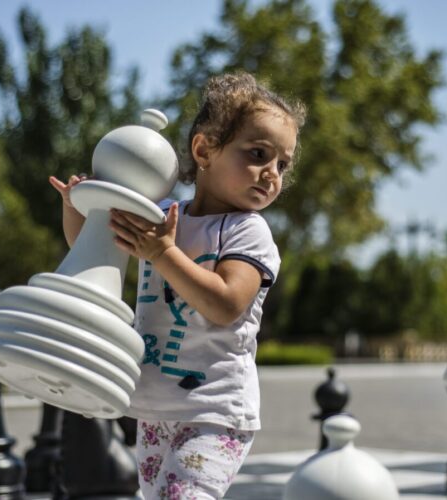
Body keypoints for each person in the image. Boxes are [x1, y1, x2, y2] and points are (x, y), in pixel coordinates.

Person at [49, 72, 306, 499]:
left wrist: (163, 254)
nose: (271, 174)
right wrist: (78, 210)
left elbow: (226, 304)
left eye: (282, 164)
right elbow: (91, 249)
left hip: (215, 411)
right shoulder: (162, 216)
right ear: (204, 149)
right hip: (154, 406)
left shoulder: (247, 231)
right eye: (258, 153)